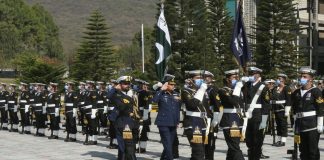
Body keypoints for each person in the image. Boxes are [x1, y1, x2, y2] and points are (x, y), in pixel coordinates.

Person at [291, 67, 324, 160]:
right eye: (301, 76)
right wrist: (294, 122)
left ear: (311, 79)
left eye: (304, 76)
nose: (302, 78)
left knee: (312, 151)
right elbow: (294, 108)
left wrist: (320, 123)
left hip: (312, 125)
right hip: (300, 125)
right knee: (302, 151)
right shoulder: (297, 92)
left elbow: (320, 108)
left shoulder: (316, 91)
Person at [242, 67, 271, 160]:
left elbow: (266, 105)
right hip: (248, 116)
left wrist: (264, 120)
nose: (252, 76)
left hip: (258, 116)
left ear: (259, 75)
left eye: (254, 74)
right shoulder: (246, 85)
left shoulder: (263, 87)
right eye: (250, 74)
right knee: (249, 140)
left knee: (257, 141)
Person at [109, 76, 139, 159]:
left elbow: (136, 109)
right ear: (120, 84)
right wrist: (115, 89)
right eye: (125, 84)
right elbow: (121, 106)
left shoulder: (132, 94)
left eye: (129, 84)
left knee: (126, 144)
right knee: (128, 144)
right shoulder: (117, 94)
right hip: (123, 123)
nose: (127, 85)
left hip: (131, 123)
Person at [152, 74, 181, 160]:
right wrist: (161, 90)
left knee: (169, 144)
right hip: (163, 122)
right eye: (171, 84)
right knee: (167, 143)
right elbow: (154, 101)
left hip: (173, 122)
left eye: (174, 84)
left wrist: (178, 121)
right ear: (166, 84)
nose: (173, 86)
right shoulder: (160, 93)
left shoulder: (176, 94)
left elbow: (177, 109)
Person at [218, 69, 245, 160]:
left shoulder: (238, 90)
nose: (236, 79)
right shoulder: (223, 90)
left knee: (233, 145)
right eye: (234, 77)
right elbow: (233, 101)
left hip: (238, 119)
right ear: (227, 79)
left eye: (237, 78)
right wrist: (237, 88)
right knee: (234, 146)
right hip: (229, 120)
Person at [271, 74, 291, 147]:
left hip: (282, 109)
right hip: (276, 109)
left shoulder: (287, 88)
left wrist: (287, 110)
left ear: (283, 80)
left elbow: (289, 99)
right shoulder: (275, 88)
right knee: (278, 126)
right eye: (278, 78)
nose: (278, 80)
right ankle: (279, 140)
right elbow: (272, 98)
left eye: (280, 78)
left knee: (283, 125)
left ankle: (283, 141)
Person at [135, 79, 152, 153]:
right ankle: (137, 147)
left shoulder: (144, 93)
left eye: (140, 84)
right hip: (137, 112)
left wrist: (145, 115)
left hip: (142, 113)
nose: (139, 86)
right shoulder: (137, 92)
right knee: (136, 130)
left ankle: (142, 147)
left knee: (143, 130)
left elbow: (146, 105)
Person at [83, 80, 98, 145]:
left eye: (88, 84)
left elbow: (94, 103)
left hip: (91, 111)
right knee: (89, 125)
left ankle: (94, 140)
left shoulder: (94, 92)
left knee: (93, 126)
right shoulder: (88, 92)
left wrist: (94, 113)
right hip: (87, 111)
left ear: (91, 85)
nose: (86, 85)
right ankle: (90, 139)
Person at [107, 79, 119, 149]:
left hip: (115, 112)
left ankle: (116, 143)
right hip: (111, 111)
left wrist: (114, 88)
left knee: (115, 128)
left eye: (112, 84)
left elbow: (109, 96)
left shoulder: (116, 91)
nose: (111, 85)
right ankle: (112, 142)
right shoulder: (113, 90)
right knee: (111, 128)